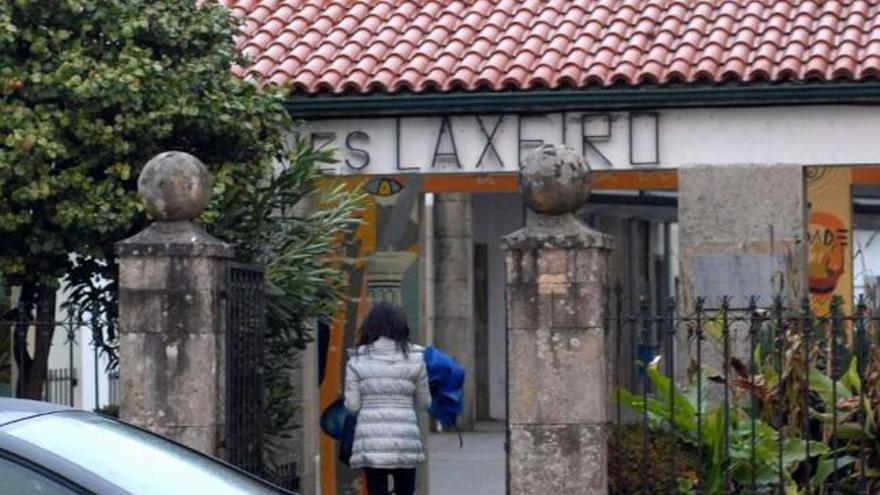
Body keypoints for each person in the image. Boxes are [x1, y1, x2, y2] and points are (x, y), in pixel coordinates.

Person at [344, 302, 431, 495]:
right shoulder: (416, 359)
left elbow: (352, 405)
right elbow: (424, 403)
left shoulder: (356, 360)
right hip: (405, 439)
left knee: (377, 490)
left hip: (371, 440)